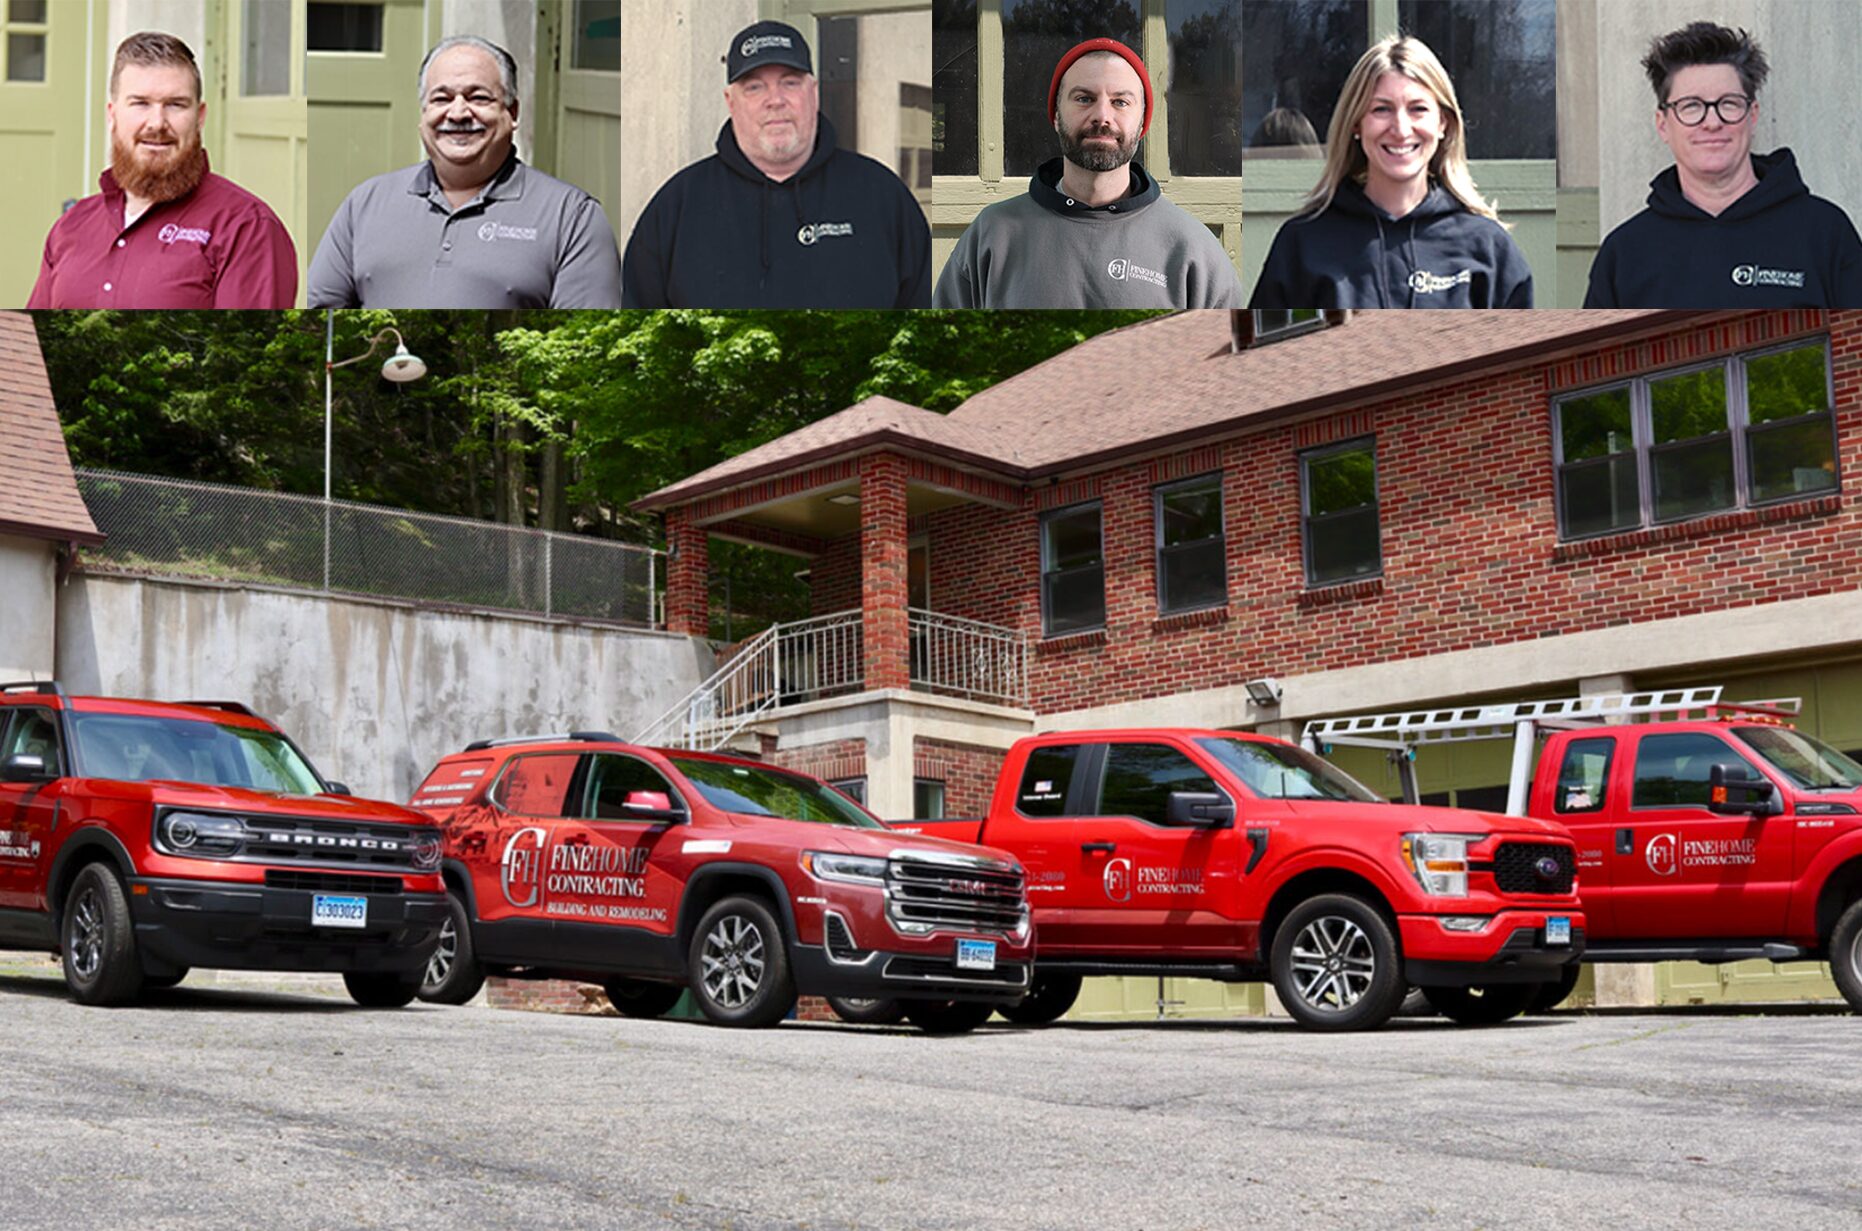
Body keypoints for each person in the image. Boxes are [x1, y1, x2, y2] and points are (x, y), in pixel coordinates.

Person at [623, 21, 929, 308]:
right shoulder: (676, 207)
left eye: (790, 82)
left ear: (814, 92)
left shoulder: (881, 196)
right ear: (731, 102)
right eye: (754, 87)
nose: (775, 100)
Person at [308, 36, 622, 308]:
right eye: (441, 98)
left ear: (512, 112)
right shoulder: (364, 204)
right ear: (424, 113)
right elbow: (322, 312)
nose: (458, 113)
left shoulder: (572, 217)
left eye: (478, 97)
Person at [934, 38, 1241, 309]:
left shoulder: (1194, 250)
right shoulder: (991, 235)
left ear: (1142, 123)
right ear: (1055, 115)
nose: (1102, 117)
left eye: (1120, 102)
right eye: (1084, 98)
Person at [1585, 21, 1862, 308]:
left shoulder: (1825, 232)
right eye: (1691, 106)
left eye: (1728, 104)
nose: (1713, 122)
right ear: (1663, 125)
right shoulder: (1625, 253)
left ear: (1752, 115)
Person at [1249, 35, 1532, 309]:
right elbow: (1263, 353)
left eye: (1417, 109)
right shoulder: (1302, 245)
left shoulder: (1489, 247)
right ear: (1356, 124)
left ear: (1443, 124)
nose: (1400, 129)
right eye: (1382, 109)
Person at [28, 32, 296, 310]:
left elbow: (247, 351)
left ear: (199, 117)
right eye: (140, 103)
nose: (157, 123)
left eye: (175, 104)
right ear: (112, 115)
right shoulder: (70, 227)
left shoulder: (247, 227)